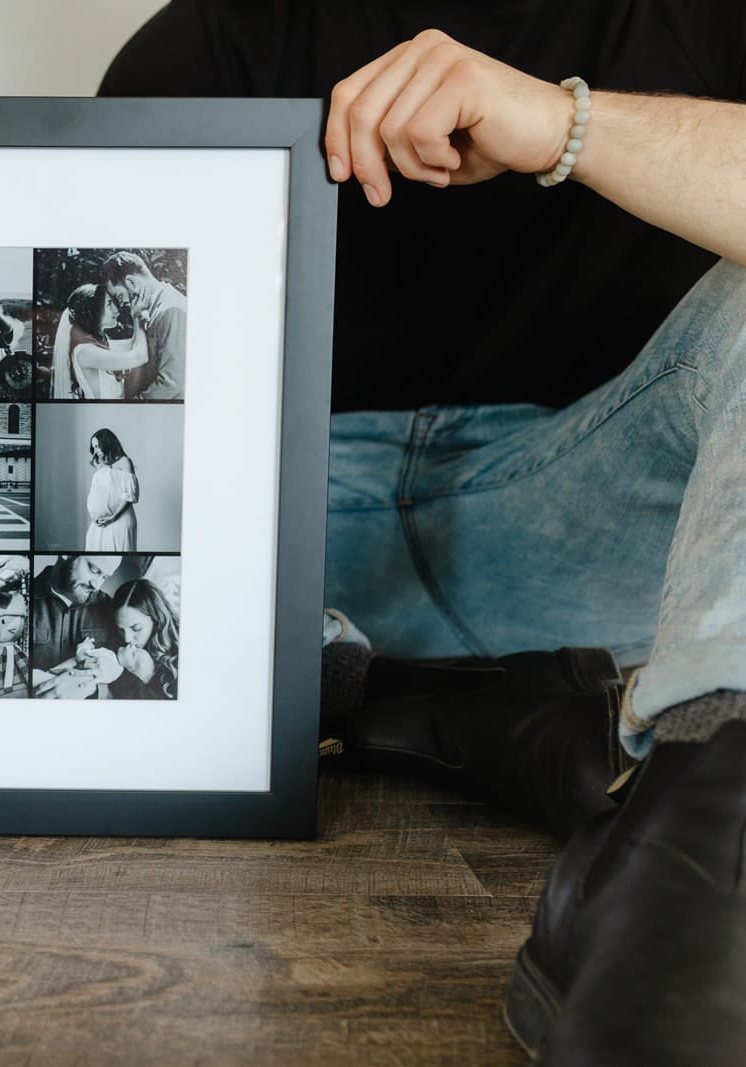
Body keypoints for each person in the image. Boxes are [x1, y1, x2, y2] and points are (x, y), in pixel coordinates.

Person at [103, 0, 746, 1058]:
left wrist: (564, 127)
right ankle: (464, 708)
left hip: (586, 503)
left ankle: (686, 846)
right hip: (302, 511)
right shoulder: (201, 45)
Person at [29, 555, 123, 699]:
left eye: (104, 577)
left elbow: (122, 686)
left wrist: (92, 688)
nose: (97, 585)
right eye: (94, 570)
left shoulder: (109, 609)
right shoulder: (21, 598)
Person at [100, 253, 186, 400]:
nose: (121, 305)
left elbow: (171, 384)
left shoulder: (171, 310)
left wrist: (135, 405)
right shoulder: (151, 309)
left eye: (119, 296)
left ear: (131, 282)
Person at [49, 282, 149, 400]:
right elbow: (140, 357)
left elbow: (134, 346)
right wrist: (138, 317)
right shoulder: (84, 352)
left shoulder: (97, 344)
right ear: (93, 311)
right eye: (109, 304)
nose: (116, 309)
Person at [107, 578, 179, 701]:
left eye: (136, 628)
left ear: (157, 620)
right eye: (121, 629)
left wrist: (121, 676)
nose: (127, 639)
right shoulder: (117, 646)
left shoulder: (180, 653)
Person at [85, 428, 137, 552]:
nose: (96, 451)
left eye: (98, 446)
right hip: (100, 524)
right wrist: (94, 516)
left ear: (106, 443)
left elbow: (128, 495)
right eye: (94, 447)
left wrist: (113, 517)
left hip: (118, 520)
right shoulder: (100, 466)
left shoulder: (124, 462)